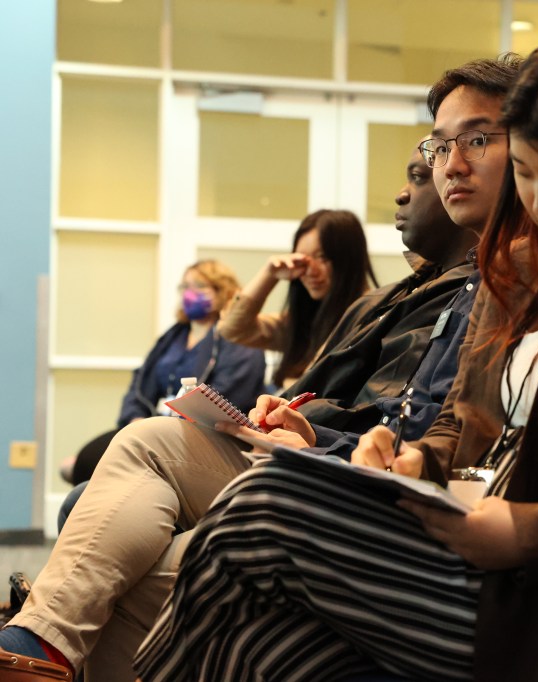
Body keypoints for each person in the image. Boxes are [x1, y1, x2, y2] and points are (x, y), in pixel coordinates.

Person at [132, 30, 538, 681]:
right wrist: (416, 461)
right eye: (526, 174)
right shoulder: (522, 267)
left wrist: (522, 531)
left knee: (263, 505)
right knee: (265, 646)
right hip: (472, 555)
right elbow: (463, 420)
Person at [0, 86, 505, 680]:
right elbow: (248, 337)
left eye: (474, 142)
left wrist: (319, 441)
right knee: (142, 440)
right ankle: (36, 646)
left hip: (367, 486)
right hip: (322, 457)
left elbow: (424, 430)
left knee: (126, 532)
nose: (444, 169)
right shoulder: (393, 300)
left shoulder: (485, 288)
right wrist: (300, 418)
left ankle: (36, 646)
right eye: (439, 151)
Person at [61, 259, 266, 485]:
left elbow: (224, 400)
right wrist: (135, 419)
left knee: (93, 466)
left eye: (199, 286)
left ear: (223, 291)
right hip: (154, 427)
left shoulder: (240, 340)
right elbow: (140, 384)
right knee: (84, 462)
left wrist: (161, 427)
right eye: (185, 286)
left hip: (203, 437)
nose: (189, 293)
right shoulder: (173, 336)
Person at [219, 209, 378, 388]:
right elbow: (232, 329)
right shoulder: (305, 321)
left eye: (322, 257)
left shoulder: (372, 319)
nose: (310, 271)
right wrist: (269, 274)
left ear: (349, 258)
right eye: (303, 260)